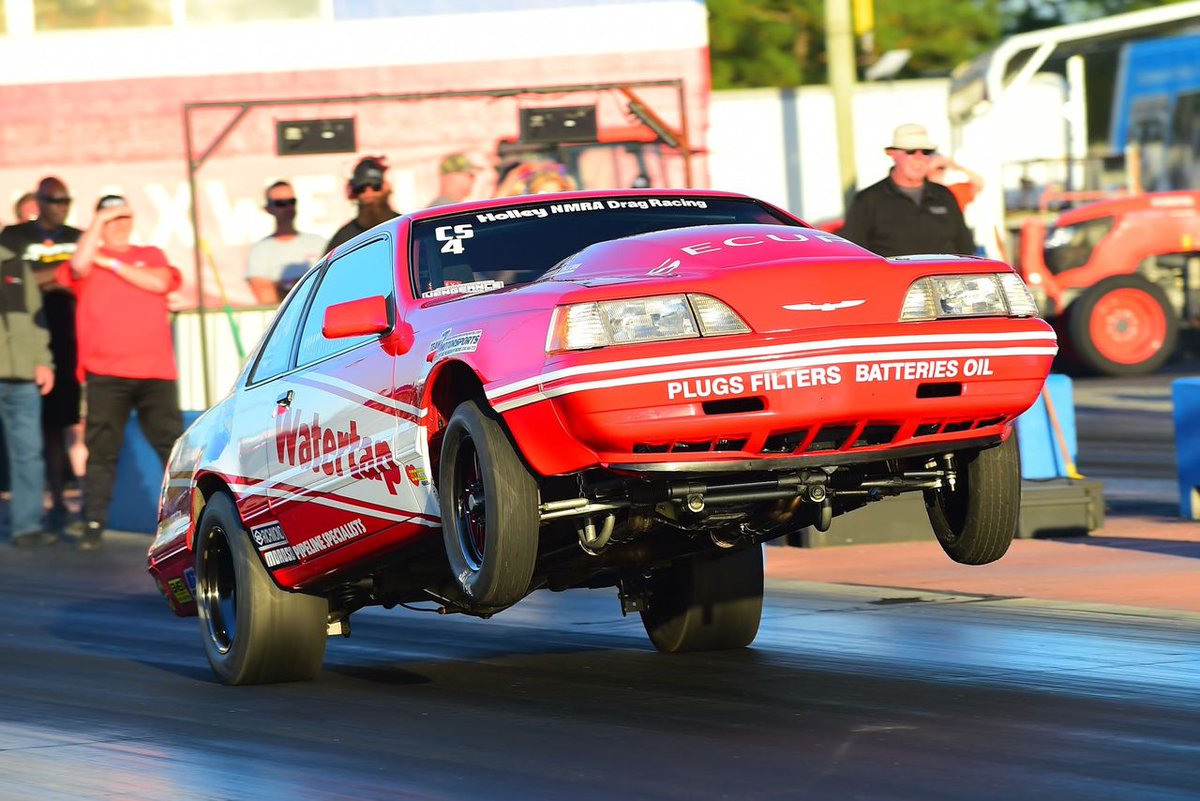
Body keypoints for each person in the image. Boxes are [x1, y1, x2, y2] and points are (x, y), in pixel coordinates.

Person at [60, 195, 183, 550]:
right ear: (99, 223)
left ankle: (184, 514)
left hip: (155, 371)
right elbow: (79, 266)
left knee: (171, 445)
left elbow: (159, 283)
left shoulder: (150, 254)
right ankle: (94, 520)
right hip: (105, 371)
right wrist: (97, 227)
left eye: (126, 216)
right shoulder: (87, 259)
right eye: (113, 219)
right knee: (102, 448)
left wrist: (110, 262)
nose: (122, 224)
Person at [0, 177, 85, 533]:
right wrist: (62, 274)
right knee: (41, 433)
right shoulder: (15, 237)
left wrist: (48, 277)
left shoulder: (78, 236)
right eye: (53, 200)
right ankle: (47, 507)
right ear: (39, 200)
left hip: (70, 340)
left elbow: (83, 275)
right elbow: (17, 280)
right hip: (25, 346)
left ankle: (72, 501)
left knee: (73, 425)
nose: (60, 206)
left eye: (66, 200)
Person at [840, 123, 974, 257]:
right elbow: (853, 254)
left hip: (945, 276)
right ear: (892, 153)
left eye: (926, 152)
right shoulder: (868, 200)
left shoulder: (944, 196)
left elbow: (965, 248)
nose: (919, 157)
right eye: (911, 151)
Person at [0, 240, 58, 547]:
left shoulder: (16, 266)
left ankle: (26, 527)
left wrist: (43, 362)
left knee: (28, 453)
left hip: (22, 375)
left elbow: (37, 322)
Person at [245, 181, 325, 305]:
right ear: (268, 209)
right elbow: (266, 298)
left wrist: (282, 286)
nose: (288, 207)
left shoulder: (318, 242)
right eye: (280, 203)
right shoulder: (260, 250)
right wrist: (303, 284)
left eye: (291, 202)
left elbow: (327, 285)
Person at [326, 156, 399, 252]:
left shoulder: (406, 227)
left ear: (387, 188)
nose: (369, 193)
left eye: (376, 186)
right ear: (353, 193)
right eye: (361, 188)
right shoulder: (343, 239)